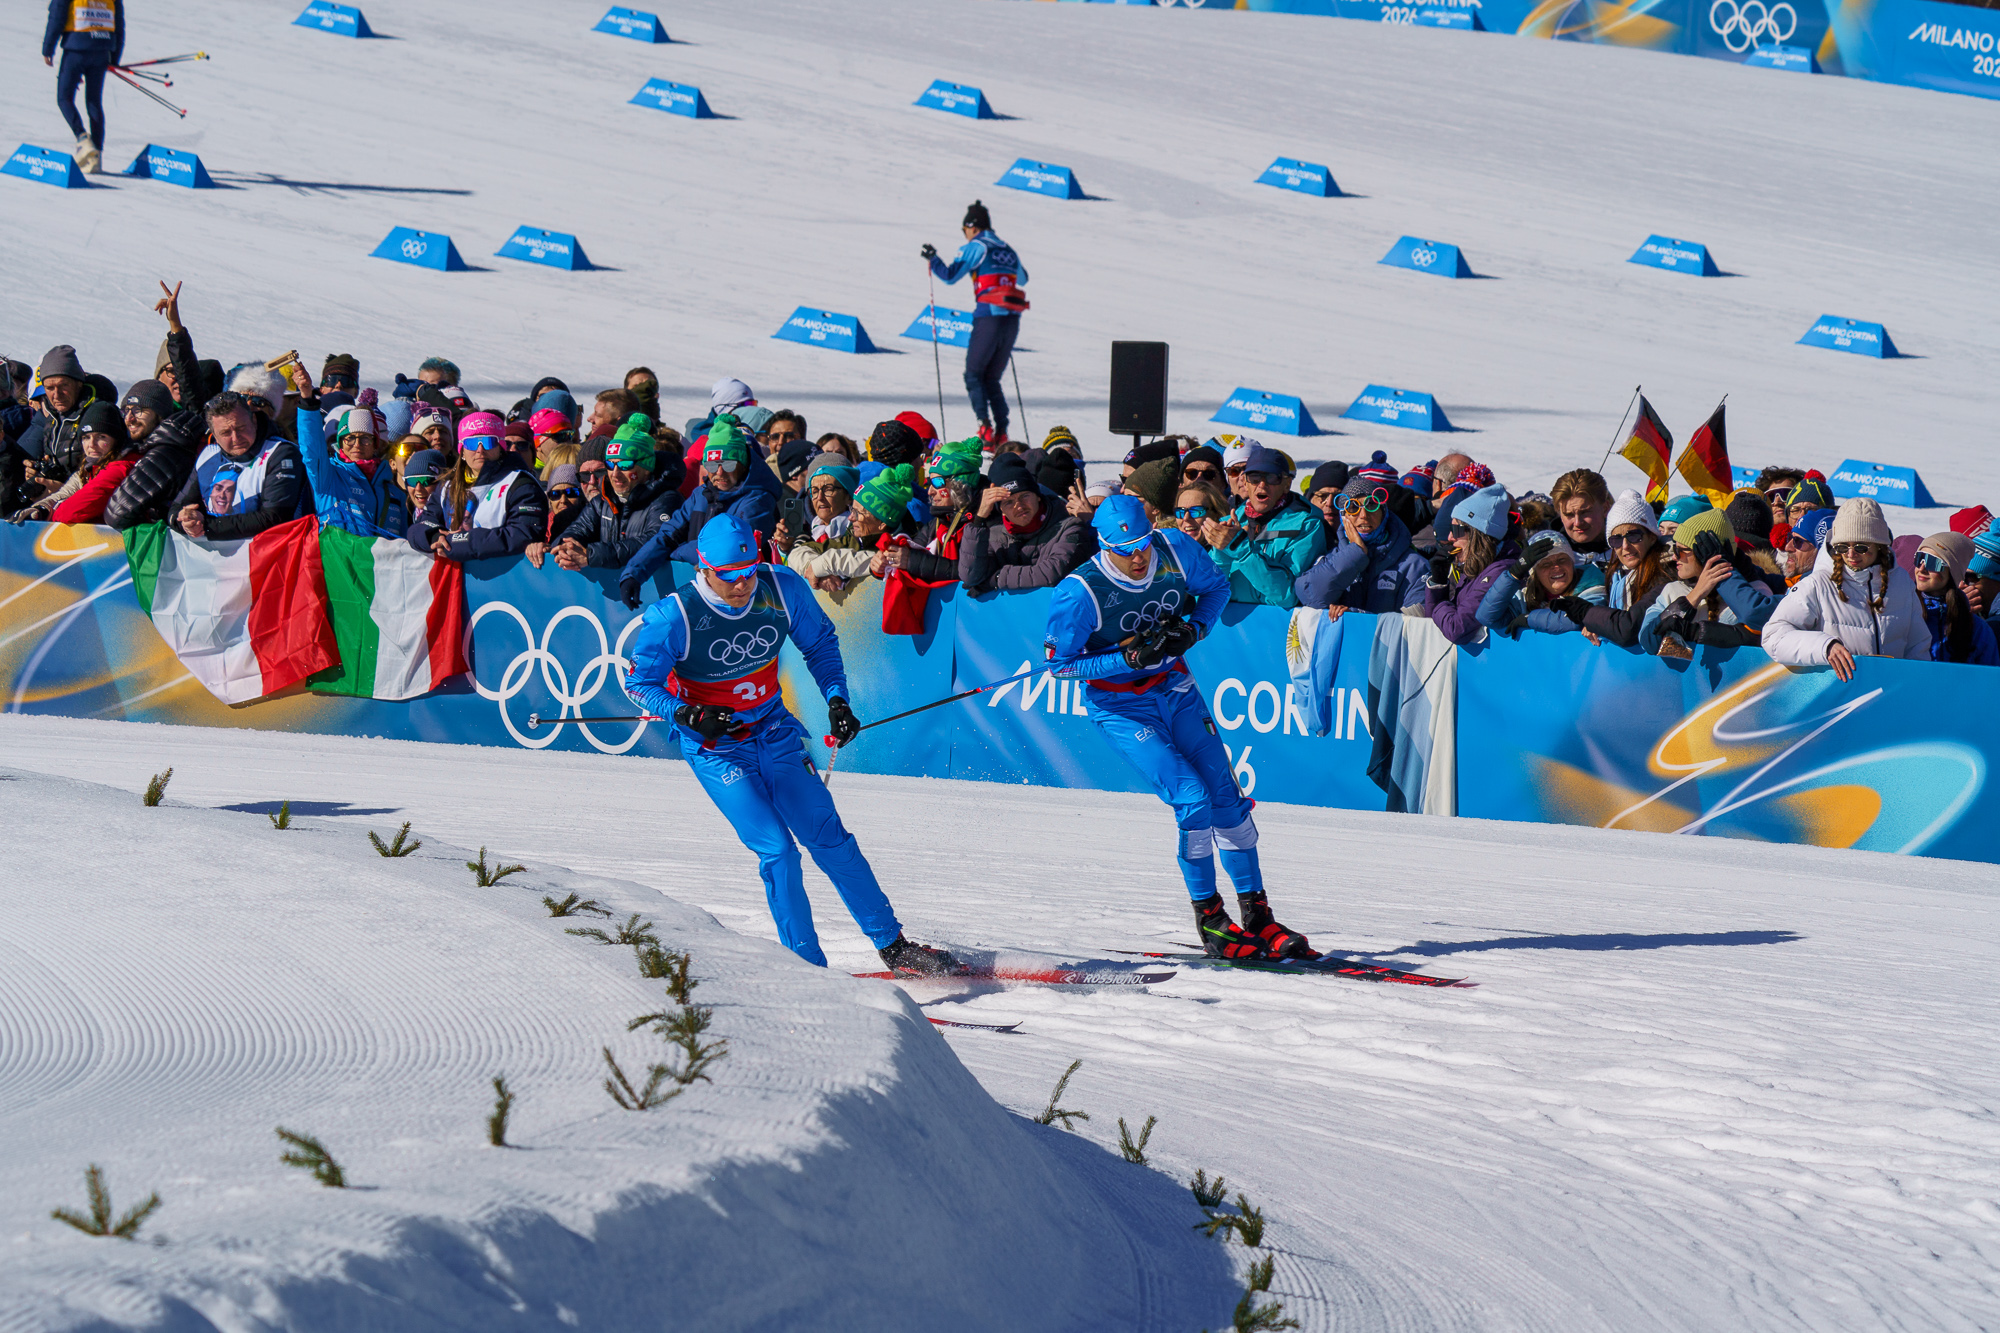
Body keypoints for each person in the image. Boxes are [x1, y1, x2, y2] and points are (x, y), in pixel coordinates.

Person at [621, 514, 956, 974]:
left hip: (775, 732)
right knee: (778, 850)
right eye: (730, 576)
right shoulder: (673, 616)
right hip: (718, 749)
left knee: (831, 840)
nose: (743, 585)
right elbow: (639, 683)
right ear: (703, 569)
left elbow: (819, 644)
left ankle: (893, 946)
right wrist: (685, 713)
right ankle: (808, 971)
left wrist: (837, 700)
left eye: (749, 570)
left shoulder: (780, 587)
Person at [1043, 495, 1314, 960]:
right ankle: (1211, 919)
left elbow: (1217, 592)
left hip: (1176, 688)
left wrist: (1194, 629)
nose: (1137, 557)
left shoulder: (1174, 549)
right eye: (1123, 549)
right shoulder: (1078, 592)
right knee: (1191, 798)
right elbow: (1060, 668)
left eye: (1142, 544)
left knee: (1227, 800)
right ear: (1103, 545)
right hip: (1122, 707)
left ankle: (1258, 916)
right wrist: (1123, 658)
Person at [618, 415, 779, 608]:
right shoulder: (701, 495)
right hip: (703, 593)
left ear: (742, 465)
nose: (719, 473)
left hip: (743, 597)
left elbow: (728, 552)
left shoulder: (757, 500)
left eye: (728, 464)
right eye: (711, 465)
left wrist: (678, 552)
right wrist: (633, 574)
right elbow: (667, 535)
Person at [1763, 499, 1929, 681]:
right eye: (1842, 546)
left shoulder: (1901, 582)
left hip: (1891, 696)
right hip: (1838, 698)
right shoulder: (1817, 584)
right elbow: (1774, 636)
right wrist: (1825, 647)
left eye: (1860, 547)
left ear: (1879, 544)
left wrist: (1913, 683)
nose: (1851, 554)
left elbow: (1918, 645)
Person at [924, 200, 1028, 445]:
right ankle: (1002, 432)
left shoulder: (976, 246)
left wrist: (933, 259)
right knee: (991, 378)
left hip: (988, 316)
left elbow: (950, 275)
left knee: (973, 375)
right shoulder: (1008, 249)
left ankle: (985, 428)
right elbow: (1023, 278)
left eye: (964, 230)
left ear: (972, 227)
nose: (965, 234)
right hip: (1011, 319)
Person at [407, 411, 547, 562]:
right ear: (462, 450)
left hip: (503, 578)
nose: (480, 450)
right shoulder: (447, 485)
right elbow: (421, 525)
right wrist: (434, 536)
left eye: (488, 442)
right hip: (457, 579)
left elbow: (522, 535)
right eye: (472, 443)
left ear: (500, 447)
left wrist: (457, 542)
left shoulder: (520, 484)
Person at [545, 416, 681, 571]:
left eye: (624, 465)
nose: (615, 474)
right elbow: (578, 529)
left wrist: (591, 555)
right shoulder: (604, 499)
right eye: (610, 464)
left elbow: (653, 541)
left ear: (646, 468)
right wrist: (564, 547)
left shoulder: (666, 499)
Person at [168, 391, 309, 540]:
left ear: (253, 421)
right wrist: (186, 520)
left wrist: (206, 527)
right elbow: (178, 507)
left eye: (241, 427)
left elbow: (274, 518)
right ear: (214, 435)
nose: (236, 438)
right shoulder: (208, 455)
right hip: (214, 559)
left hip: (270, 555)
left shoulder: (281, 453)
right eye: (225, 432)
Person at [1205, 442, 1326, 608]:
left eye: (1271, 478)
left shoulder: (1307, 526)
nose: (1262, 485)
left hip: (1277, 628)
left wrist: (1238, 546)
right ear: (1245, 483)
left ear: (1286, 485)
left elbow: (1286, 595)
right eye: (1254, 478)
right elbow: (1206, 593)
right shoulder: (1229, 523)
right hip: (1229, 629)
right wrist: (1222, 552)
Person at [1551, 490, 1674, 648]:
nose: (1625, 546)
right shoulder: (1617, 573)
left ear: (1651, 537)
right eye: (1616, 539)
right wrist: (1598, 625)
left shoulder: (1667, 571)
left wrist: (1586, 612)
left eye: (1634, 536)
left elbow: (1628, 628)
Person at [957, 451, 1092, 594]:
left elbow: (1051, 573)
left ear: (1038, 496)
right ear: (1000, 509)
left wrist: (996, 578)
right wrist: (979, 520)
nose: (1019, 506)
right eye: (1009, 502)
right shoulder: (994, 536)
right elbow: (970, 576)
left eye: (1024, 496)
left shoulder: (1069, 528)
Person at [1646, 509, 1778, 654]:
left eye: (1681, 551)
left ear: (1704, 554)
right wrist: (1693, 597)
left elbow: (1758, 640)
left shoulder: (1753, 592)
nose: (1674, 557)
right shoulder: (1673, 590)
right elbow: (1648, 641)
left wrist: (1694, 632)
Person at [1296, 474, 1432, 615]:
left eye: (1371, 505)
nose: (1363, 515)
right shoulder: (1333, 557)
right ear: (1344, 517)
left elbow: (1416, 625)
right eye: (1353, 508)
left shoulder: (1414, 566)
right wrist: (1355, 554)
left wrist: (1357, 618)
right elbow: (1309, 595)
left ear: (1383, 512)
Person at [297, 391, 411, 539]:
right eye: (349, 438)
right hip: (336, 561)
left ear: (375, 444)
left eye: (365, 439)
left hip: (380, 562)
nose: (357, 445)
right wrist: (307, 402)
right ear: (340, 443)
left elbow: (403, 546)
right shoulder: (328, 477)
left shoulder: (395, 494)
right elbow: (311, 449)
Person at [1423, 482, 1515, 644]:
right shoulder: (1478, 565)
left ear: (1478, 534)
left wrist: (1439, 603)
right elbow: (1432, 625)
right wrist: (1438, 583)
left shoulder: (1499, 572)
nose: (1450, 537)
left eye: (1457, 530)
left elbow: (1456, 629)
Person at [12, 401, 132, 525]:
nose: (91, 444)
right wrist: (41, 509)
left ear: (116, 440)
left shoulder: (123, 467)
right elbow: (65, 493)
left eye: (101, 437)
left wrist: (50, 515)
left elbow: (72, 511)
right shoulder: (87, 469)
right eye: (86, 437)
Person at [43, 0, 124, 174]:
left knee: (64, 98)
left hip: (76, 49)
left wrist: (48, 48)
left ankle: (82, 139)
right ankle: (96, 156)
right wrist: (114, 58)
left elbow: (57, 16)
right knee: (94, 102)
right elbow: (119, 24)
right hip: (102, 50)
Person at [1912, 534, 1999, 666]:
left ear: (1953, 572)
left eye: (1932, 562)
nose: (1922, 569)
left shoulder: (1976, 628)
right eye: (1919, 559)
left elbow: (1989, 681)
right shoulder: (1902, 613)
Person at [786, 458, 866, 595]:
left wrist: (817, 568)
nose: (820, 497)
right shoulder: (809, 534)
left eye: (828, 489)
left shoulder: (860, 529)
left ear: (848, 496)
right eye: (815, 491)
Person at [1550, 468, 1613, 566]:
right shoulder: (1547, 555)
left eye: (1585, 512)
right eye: (1569, 515)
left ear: (1605, 509)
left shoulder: (1628, 548)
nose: (1577, 522)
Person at [1171, 479, 1231, 549]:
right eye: (1180, 511)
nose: (1186, 518)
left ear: (1216, 514)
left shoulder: (1229, 554)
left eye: (1196, 511)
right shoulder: (1169, 552)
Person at [1780, 509, 1834, 587]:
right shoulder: (1793, 582)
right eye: (1789, 538)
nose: (1787, 547)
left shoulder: (1817, 589)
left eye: (1797, 541)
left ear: (1821, 551)